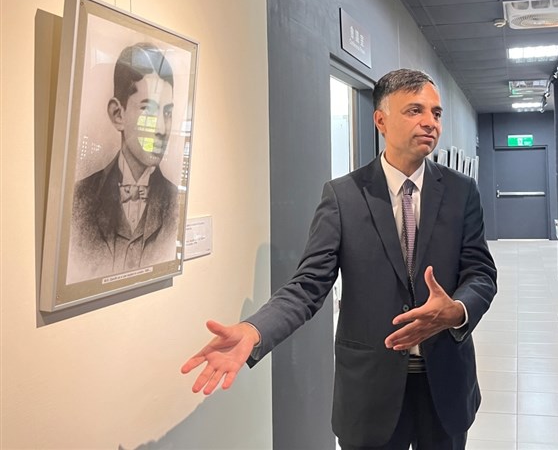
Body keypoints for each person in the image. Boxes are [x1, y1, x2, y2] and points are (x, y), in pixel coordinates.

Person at [181, 69, 497, 450]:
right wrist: (255, 330)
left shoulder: (462, 192)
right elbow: (307, 286)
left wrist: (457, 310)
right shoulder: (344, 196)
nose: (430, 122)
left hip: (445, 383)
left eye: (436, 112)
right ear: (381, 120)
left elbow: (481, 273)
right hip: (370, 393)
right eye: (415, 110)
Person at [67, 42, 178, 284]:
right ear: (118, 114)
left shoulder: (175, 202)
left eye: (167, 113)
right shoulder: (80, 198)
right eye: (148, 110)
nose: (161, 129)